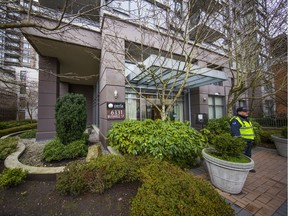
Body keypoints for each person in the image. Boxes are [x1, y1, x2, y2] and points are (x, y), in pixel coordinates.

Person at [230, 107, 256, 173]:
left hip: (249, 140)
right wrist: (240, 141)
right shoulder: (236, 120)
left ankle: (248, 167)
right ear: (239, 112)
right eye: (244, 111)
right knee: (241, 155)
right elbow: (235, 132)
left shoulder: (246, 119)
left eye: (247, 111)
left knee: (248, 154)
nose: (247, 112)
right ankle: (240, 168)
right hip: (243, 141)